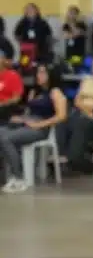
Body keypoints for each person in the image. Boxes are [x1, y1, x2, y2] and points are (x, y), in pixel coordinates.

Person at [0, 65, 67, 193]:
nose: (38, 76)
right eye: (38, 73)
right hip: (28, 122)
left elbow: (61, 116)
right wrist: (22, 118)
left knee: (6, 139)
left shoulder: (55, 92)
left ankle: (18, 178)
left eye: (43, 73)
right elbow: (30, 111)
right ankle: (10, 174)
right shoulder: (35, 91)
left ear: (50, 74)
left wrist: (40, 124)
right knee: (1, 131)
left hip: (42, 128)